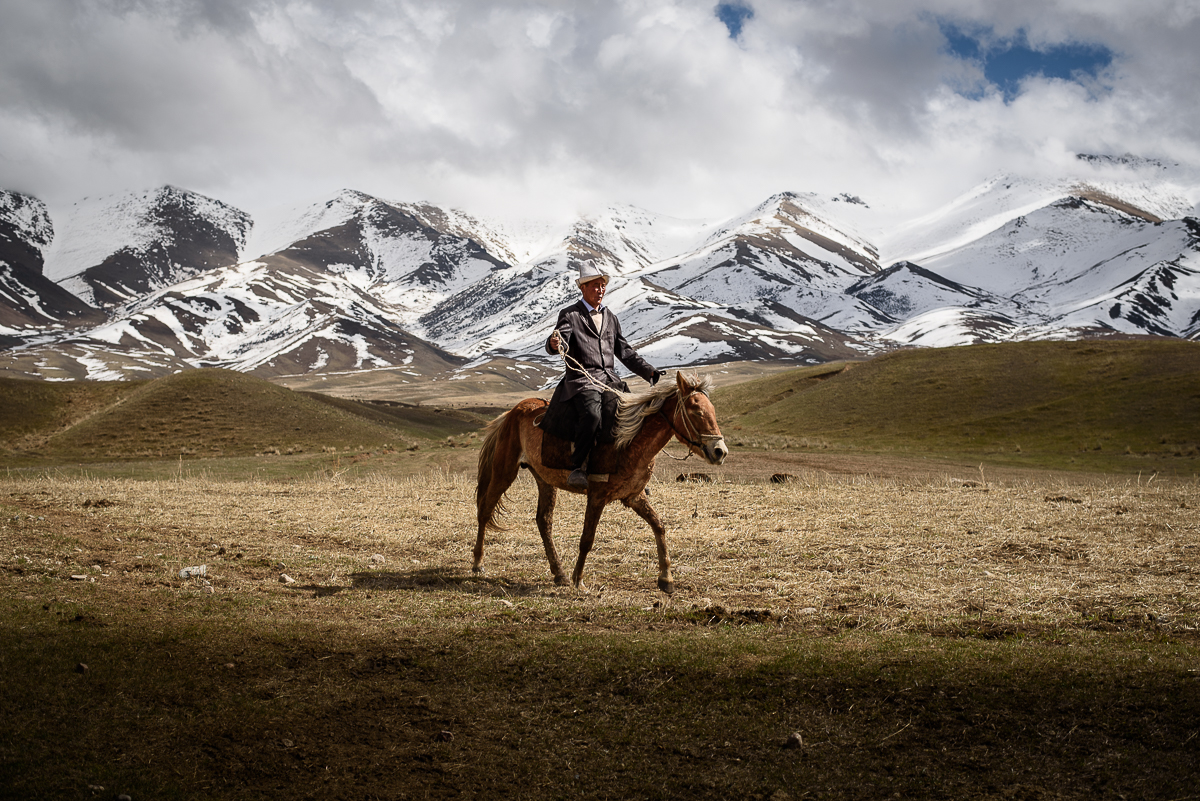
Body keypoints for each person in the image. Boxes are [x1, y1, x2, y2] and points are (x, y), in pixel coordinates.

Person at [546, 261, 663, 489]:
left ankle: (630, 473)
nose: (600, 289)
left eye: (602, 285)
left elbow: (625, 352)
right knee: (591, 416)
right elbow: (560, 341)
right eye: (594, 285)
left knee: (632, 418)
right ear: (583, 288)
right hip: (583, 380)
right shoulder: (570, 315)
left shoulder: (611, 317)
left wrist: (649, 371)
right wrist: (554, 343)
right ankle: (578, 467)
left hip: (610, 381)